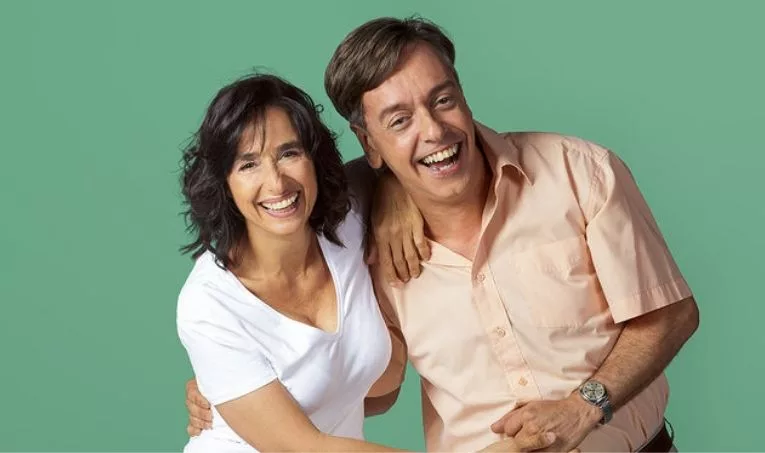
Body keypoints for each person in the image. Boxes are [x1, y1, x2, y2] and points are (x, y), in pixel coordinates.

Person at [187, 16, 700, 452]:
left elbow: (672, 312)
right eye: (399, 120)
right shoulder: (355, 221)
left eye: (443, 100)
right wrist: (236, 387)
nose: (433, 131)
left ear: (463, 94)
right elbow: (364, 393)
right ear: (369, 143)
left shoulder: (579, 174)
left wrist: (585, 407)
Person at [175, 73, 534, 452]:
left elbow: (399, 159)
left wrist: (392, 187)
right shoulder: (209, 305)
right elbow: (305, 447)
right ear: (223, 183)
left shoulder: (347, 222)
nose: (277, 184)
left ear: (314, 158)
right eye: (248, 165)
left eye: (289, 153)